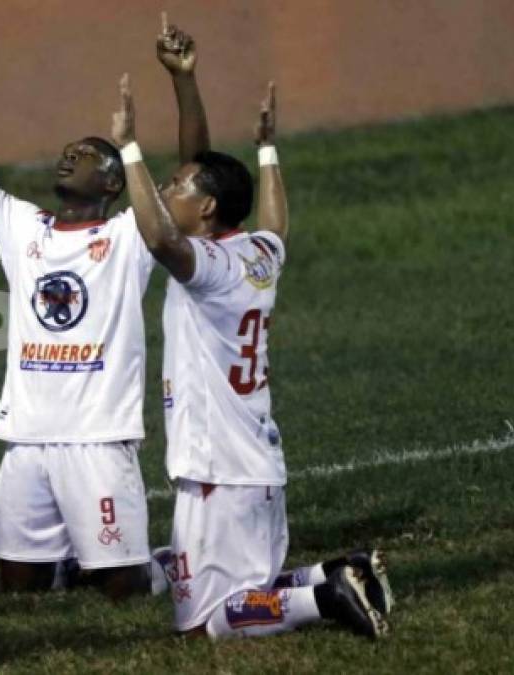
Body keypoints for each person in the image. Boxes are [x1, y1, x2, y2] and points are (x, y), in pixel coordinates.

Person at [0, 2, 213, 601]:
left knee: (124, 589)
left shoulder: (130, 236)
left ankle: (162, 563)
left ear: (111, 182)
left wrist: (182, 79)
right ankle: (75, 561)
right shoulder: (24, 226)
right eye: (67, 150)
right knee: (20, 590)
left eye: (87, 154)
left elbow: (193, 172)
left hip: (97, 438)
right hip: (26, 436)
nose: (68, 155)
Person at [110, 29, 394, 638]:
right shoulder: (260, 255)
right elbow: (276, 226)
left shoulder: (206, 267)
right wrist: (267, 152)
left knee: (206, 623)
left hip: (217, 468)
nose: (166, 192)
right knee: (252, 589)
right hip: (258, 461)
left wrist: (129, 147)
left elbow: (160, 237)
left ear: (208, 209)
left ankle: (326, 600)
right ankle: (335, 571)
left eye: (179, 188)